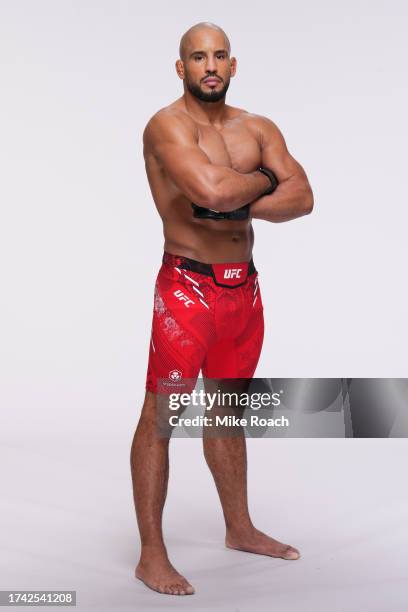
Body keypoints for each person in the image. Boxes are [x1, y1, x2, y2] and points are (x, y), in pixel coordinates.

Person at [130, 21, 314, 596]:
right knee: (163, 415)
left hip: (243, 289)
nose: (209, 65)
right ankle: (151, 555)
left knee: (228, 410)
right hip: (187, 288)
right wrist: (264, 181)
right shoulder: (167, 126)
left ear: (233, 66)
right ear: (180, 68)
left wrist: (241, 193)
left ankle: (239, 527)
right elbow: (206, 191)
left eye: (219, 56)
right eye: (197, 57)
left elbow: (303, 196)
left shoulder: (259, 127)